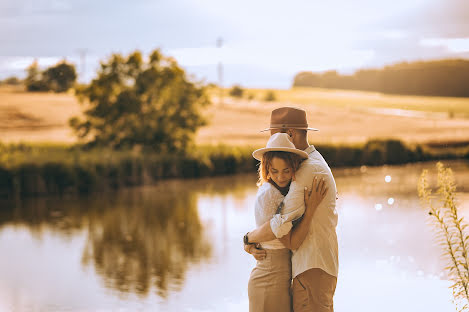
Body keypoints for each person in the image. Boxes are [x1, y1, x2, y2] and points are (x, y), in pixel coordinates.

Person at [245, 107, 339, 312]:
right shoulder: (311, 163)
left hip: (311, 267)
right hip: (311, 267)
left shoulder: (306, 170)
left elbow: (281, 231)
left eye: (273, 135)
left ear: (289, 134)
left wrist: (248, 238)